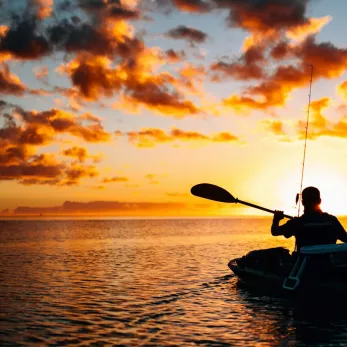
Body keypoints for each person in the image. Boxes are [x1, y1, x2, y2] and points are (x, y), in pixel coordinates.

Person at [271, 186, 347, 251]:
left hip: (304, 266)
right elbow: (345, 238)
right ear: (320, 201)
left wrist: (276, 219)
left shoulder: (297, 223)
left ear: (303, 202)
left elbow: (274, 231)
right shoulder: (332, 220)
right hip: (327, 265)